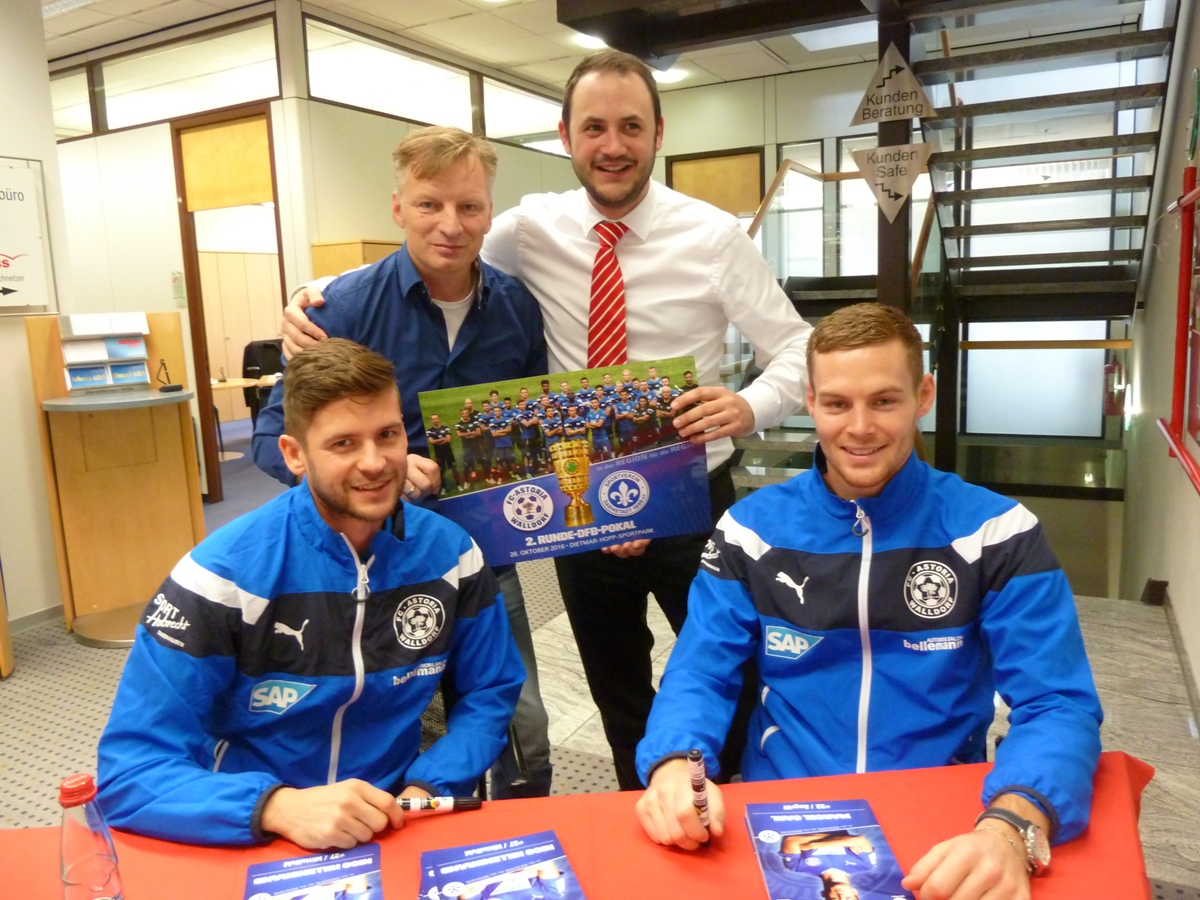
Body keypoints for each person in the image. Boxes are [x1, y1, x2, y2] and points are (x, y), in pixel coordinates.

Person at [280, 51, 812, 790]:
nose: (614, 144)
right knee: (616, 689)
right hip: (575, 508)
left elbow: (796, 347)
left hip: (690, 504)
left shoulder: (716, 236)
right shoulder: (529, 229)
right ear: (566, 135)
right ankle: (643, 815)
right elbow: (440, 247)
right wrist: (320, 294)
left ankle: (735, 814)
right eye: (594, 127)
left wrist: (749, 404)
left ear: (659, 132)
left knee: (729, 675)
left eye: (631, 126)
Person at [635, 303, 1103, 900]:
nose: (859, 428)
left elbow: (1056, 702)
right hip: (782, 815)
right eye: (837, 404)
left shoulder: (997, 531)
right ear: (810, 400)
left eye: (884, 401)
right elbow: (701, 671)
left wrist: (1012, 826)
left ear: (923, 394)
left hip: (942, 820)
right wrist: (676, 762)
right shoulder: (749, 530)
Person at [97, 340, 524, 848]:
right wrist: (276, 807)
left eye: (387, 435)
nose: (375, 463)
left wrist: (431, 783)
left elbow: (490, 689)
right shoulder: (222, 577)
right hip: (260, 824)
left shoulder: (451, 554)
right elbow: (129, 773)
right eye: (343, 443)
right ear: (294, 455)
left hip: (397, 818)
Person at [252, 126, 554, 799]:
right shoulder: (342, 307)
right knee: (384, 731)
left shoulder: (515, 308)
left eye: (470, 207)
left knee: (520, 732)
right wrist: (379, 475)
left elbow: (528, 433)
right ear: (398, 208)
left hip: (482, 559)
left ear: (489, 214)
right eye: (429, 205)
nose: (451, 224)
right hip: (366, 568)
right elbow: (275, 436)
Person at [426, 413, 458, 493]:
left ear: (438, 419)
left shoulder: (446, 428)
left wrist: (437, 441)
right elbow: (431, 441)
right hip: (439, 454)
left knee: (454, 468)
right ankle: (443, 487)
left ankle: (458, 484)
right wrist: (443, 439)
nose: (435, 420)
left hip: (448, 452)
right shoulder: (430, 431)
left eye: (436, 418)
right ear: (431, 420)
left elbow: (449, 439)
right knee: (441, 470)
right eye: (433, 419)